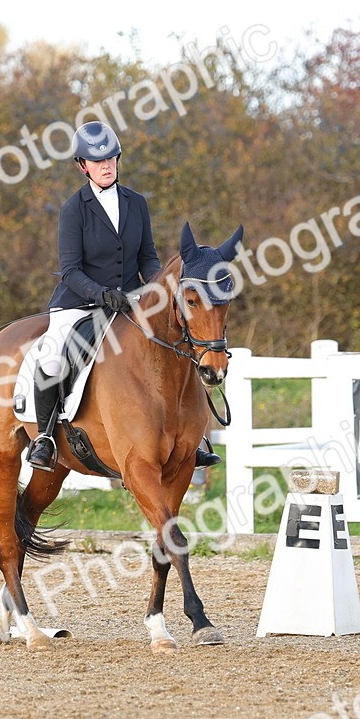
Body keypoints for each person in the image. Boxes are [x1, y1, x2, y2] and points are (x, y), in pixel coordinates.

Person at [26, 121, 221, 473]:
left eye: (111, 159)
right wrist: (102, 294)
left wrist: (156, 290)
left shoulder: (136, 203)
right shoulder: (74, 209)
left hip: (131, 302)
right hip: (79, 303)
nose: (106, 166)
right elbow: (70, 270)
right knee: (54, 355)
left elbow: (147, 256)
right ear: (82, 166)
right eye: (97, 161)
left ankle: (194, 436)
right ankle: (45, 438)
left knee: (180, 342)